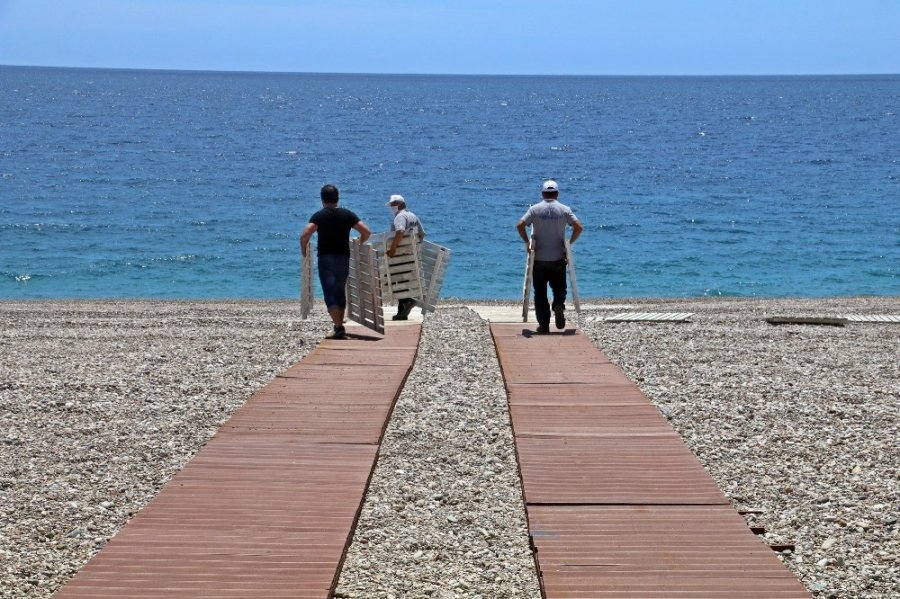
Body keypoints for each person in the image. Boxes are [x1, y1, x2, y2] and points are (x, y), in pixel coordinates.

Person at [300, 184, 371, 339]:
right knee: (339, 292)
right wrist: (360, 241)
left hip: (326, 259)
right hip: (343, 258)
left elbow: (304, 236)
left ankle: (339, 327)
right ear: (337, 199)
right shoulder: (347, 214)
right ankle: (339, 327)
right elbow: (366, 232)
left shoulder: (319, 216)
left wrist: (303, 250)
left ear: (322, 199)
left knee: (329, 293)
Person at [516, 180, 583, 334]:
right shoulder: (564, 209)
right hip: (558, 258)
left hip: (538, 259)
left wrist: (527, 242)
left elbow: (520, 225)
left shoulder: (534, 209)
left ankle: (544, 325)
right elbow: (579, 227)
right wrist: (569, 243)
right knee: (559, 288)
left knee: (540, 293)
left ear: (542, 193)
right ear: (557, 194)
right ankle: (558, 304)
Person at [385, 194, 426, 321]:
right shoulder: (413, 216)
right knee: (402, 281)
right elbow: (422, 234)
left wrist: (393, 248)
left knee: (395, 280)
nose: (392, 207)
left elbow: (400, 231)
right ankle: (402, 312)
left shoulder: (400, 216)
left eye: (393, 204)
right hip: (410, 255)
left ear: (401, 204)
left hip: (399, 255)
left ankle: (408, 301)